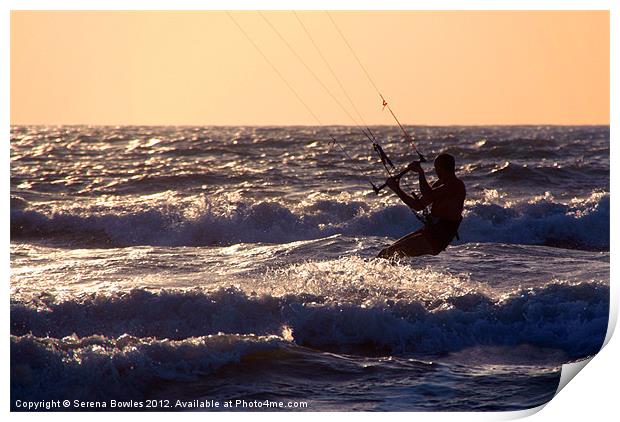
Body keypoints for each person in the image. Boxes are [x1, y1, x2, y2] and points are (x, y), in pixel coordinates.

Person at [377, 153, 466, 259]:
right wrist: (397, 188)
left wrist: (420, 173)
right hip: (430, 231)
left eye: (436, 168)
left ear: (441, 169)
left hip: (439, 237)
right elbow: (417, 205)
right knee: (386, 252)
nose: (436, 171)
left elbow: (427, 193)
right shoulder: (438, 185)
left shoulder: (456, 185)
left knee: (393, 253)